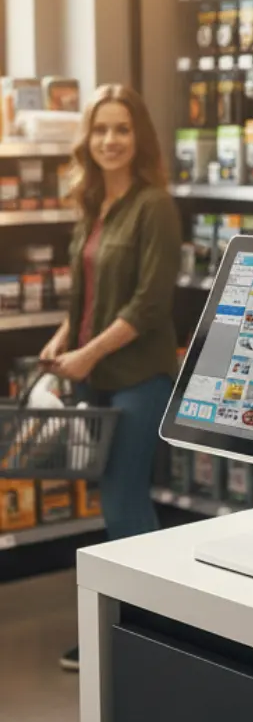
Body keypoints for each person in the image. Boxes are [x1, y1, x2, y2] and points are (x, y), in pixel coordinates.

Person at [40, 84, 181, 670]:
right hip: (94, 371)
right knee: (113, 501)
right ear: (88, 139)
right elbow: (88, 293)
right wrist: (62, 339)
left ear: (139, 138)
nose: (111, 140)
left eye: (122, 129)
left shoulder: (154, 206)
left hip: (138, 375)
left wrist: (87, 355)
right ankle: (130, 626)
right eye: (101, 129)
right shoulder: (94, 203)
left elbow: (148, 303)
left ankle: (149, 634)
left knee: (125, 502)